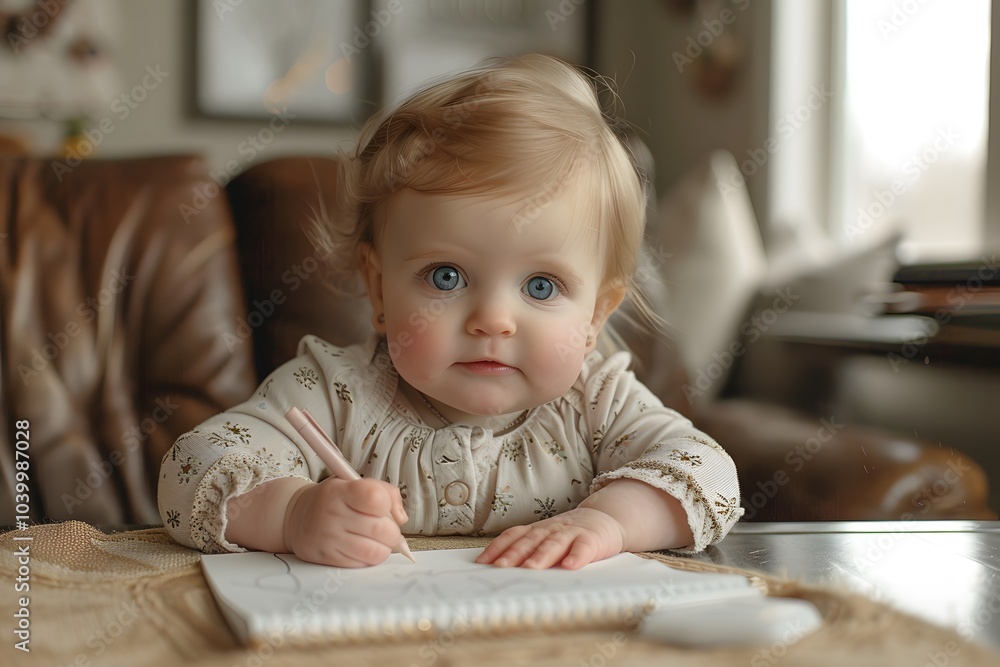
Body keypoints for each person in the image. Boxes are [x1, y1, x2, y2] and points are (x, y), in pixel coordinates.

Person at [158, 54, 742, 570]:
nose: (493, 319)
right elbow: (190, 470)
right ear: (380, 291)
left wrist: (607, 522)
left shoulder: (600, 404)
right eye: (447, 276)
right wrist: (292, 512)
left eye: (541, 286)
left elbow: (710, 475)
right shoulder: (332, 394)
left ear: (596, 315)